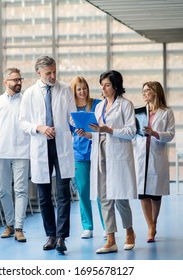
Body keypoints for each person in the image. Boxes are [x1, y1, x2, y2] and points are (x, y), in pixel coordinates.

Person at [19, 55, 76, 253]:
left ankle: (61, 238)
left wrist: (80, 124)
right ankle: (50, 235)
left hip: (62, 146)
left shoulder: (65, 89)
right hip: (41, 147)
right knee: (44, 196)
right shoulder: (29, 94)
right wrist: (40, 127)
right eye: (48, 73)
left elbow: (72, 116)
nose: (52, 76)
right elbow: (22, 122)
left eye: (54, 72)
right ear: (39, 73)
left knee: (63, 194)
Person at [77, 70, 137, 254]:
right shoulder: (98, 107)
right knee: (104, 197)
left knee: (120, 197)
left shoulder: (126, 105)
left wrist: (109, 130)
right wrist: (86, 134)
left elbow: (131, 131)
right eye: (102, 84)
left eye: (107, 85)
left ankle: (129, 231)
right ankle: (110, 239)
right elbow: (96, 133)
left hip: (117, 152)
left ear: (116, 86)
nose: (103, 88)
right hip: (100, 152)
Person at [0, 67, 30, 242]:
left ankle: (19, 228)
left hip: (22, 152)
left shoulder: (26, 101)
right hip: (1, 152)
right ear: (6, 82)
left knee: (21, 190)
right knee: (4, 191)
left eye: (20, 79)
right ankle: (9, 224)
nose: (18, 82)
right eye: (15, 80)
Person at [134, 81, 175, 243]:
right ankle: (150, 226)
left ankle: (154, 222)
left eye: (147, 91)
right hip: (141, 155)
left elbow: (171, 134)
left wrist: (155, 133)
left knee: (155, 195)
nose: (143, 94)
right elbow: (134, 133)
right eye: (142, 91)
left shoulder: (166, 113)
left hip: (156, 155)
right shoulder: (138, 112)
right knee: (143, 194)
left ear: (156, 92)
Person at [70, 76, 105, 239]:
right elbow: (69, 129)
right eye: (79, 89)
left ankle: (107, 226)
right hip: (79, 153)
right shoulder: (71, 108)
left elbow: (103, 126)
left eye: (84, 88)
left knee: (100, 191)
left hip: (97, 151)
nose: (82, 91)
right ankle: (88, 227)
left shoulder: (97, 104)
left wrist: (91, 133)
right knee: (83, 190)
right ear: (74, 91)